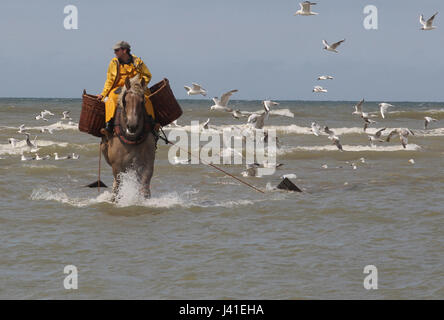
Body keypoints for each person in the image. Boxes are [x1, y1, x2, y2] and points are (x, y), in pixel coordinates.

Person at [98, 41, 155, 132]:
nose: (114, 52)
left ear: (124, 50)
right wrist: (103, 94)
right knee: (111, 99)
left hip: (135, 88)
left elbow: (147, 75)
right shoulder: (114, 62)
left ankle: (152, 124)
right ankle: (109, 124)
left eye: (117, 50)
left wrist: (138, 85)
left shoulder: (138, 61)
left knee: (147, 99)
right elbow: (109, 80)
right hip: (118, 88)